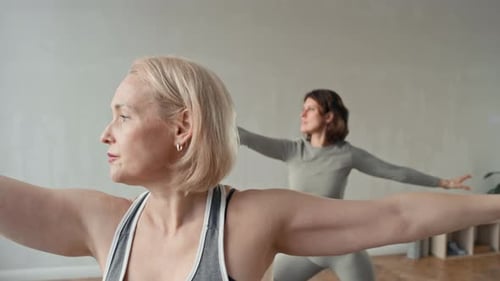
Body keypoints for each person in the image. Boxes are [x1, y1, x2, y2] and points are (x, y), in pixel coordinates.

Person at [0, 56, 498, 281]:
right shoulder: (101, 222)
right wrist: (223, 129)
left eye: (123, 116)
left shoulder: (251, 220)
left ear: (182, 128)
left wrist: (481, 198)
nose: (105, 134)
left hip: (336, 241)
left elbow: (397, 213)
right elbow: (248, 137)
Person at [237, 89, 472, 281]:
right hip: (300, 247)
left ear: (328, 116)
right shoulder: (292, 150)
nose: (303, 114)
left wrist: (444, 183)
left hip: (342, 245)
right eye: (303, 109)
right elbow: (245, 137)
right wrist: (211, 124)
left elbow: (395, 172)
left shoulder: (347, 154)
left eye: (310, 109)